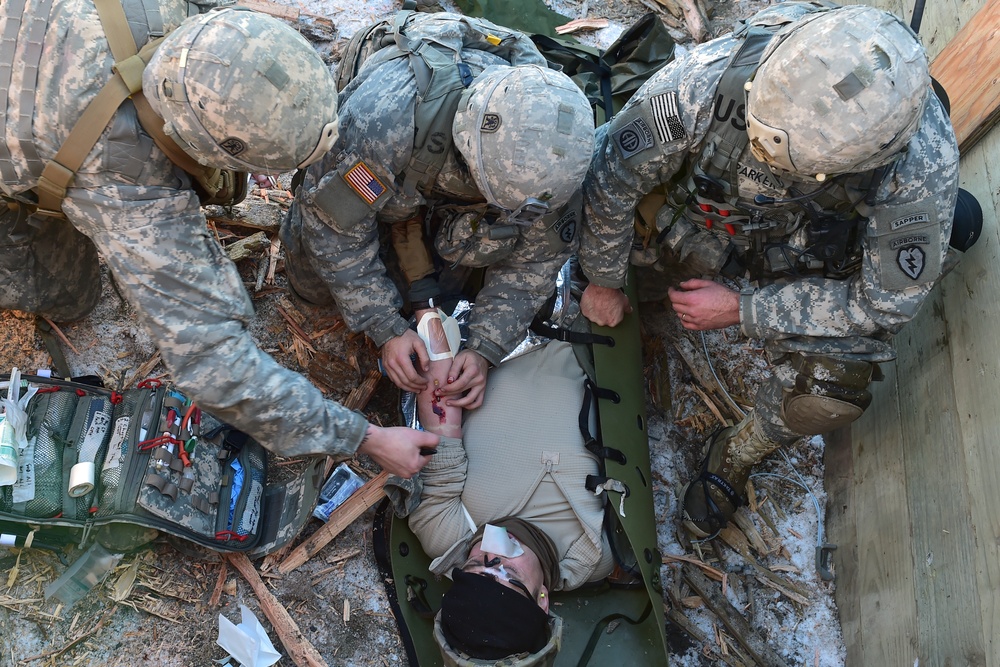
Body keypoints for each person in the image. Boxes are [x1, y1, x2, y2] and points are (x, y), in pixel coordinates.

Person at [581, 2, 976, 536]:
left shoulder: (918, 168)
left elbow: (882, 302)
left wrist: (744, 310)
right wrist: (604, 279)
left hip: (804, 254)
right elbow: (612, 174)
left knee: (829, 394)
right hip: (699, 220)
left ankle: (737, 453)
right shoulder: (709, 79)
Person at [0, 1, 437, 478]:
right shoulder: (131, 181)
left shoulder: (181, 17)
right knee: (69, 295)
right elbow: (215, 366)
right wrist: (365, 437)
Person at [280, 9, 609, 409]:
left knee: (451, 280)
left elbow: (534, 266)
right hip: (398, 134)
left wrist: (485, 348)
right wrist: (386, 328)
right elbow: (332, 229)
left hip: (441, 177)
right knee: (313, 283)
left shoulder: (556, 168)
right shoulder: (383, 124)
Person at [395, 308, 615, 663]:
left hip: (503, 319)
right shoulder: (591, 555)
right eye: (510, 577)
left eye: (475, 566)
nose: (494, 554)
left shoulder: (446, 530)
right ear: (542, 598)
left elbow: (442, 412)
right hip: (595, 324)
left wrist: (428, 319)